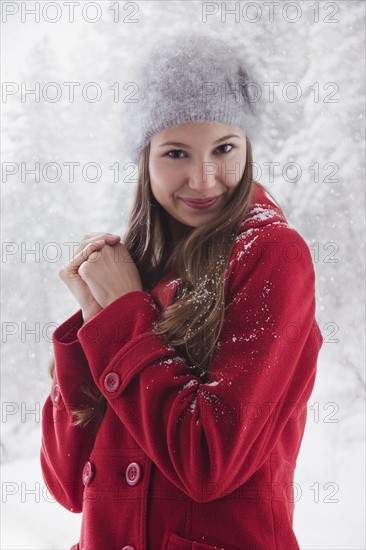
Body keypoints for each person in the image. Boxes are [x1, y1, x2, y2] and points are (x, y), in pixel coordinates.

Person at [40, 31, 323, 550]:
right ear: (143, 159)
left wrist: (125, 317)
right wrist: (93, 317)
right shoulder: (136, 268)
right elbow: (65, 480)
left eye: (224, 148)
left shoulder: (272, 254)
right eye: (175, 153)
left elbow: (209, 464)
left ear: (248, 146)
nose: (204, 178)